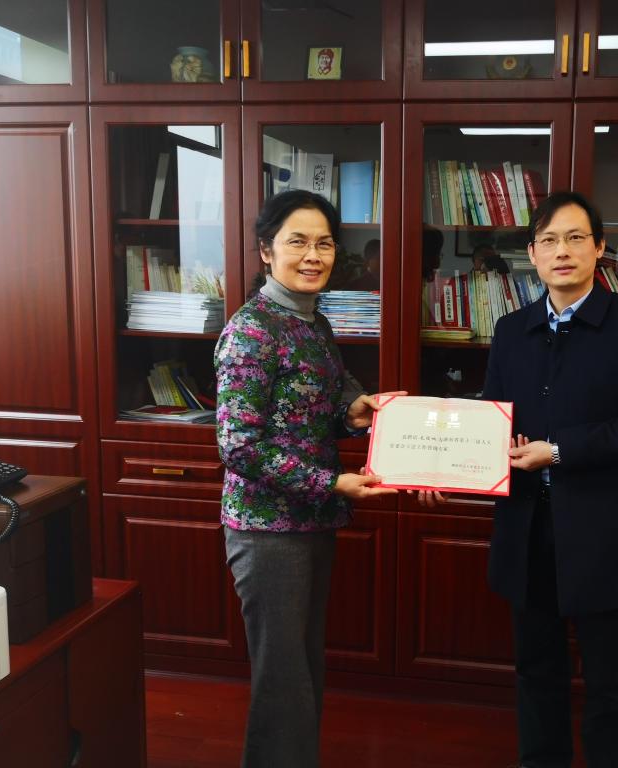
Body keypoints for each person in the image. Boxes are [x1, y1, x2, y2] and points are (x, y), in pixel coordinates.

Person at [482, 191, 618, 767]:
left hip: (605, 530)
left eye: (574, 238)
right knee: (535, 669)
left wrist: (559, 451)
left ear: (599, 247)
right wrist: (446, 466)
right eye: (548, 240)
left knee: (609, 680)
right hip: (528, 527)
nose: (561, 251)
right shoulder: (511, 329)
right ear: (532, 254)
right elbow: (492, 417)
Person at [215, 189, 400, 768]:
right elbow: (239, 446)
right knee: (283, 676)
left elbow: (320, 405)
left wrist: (353, 412)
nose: (313, 255)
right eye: (297, 241)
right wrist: (330, 484)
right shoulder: (252, 330)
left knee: (301, 665)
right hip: (268, 530)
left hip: (310, 521)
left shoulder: (312, 321)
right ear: (266, 250)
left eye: (324, 243)